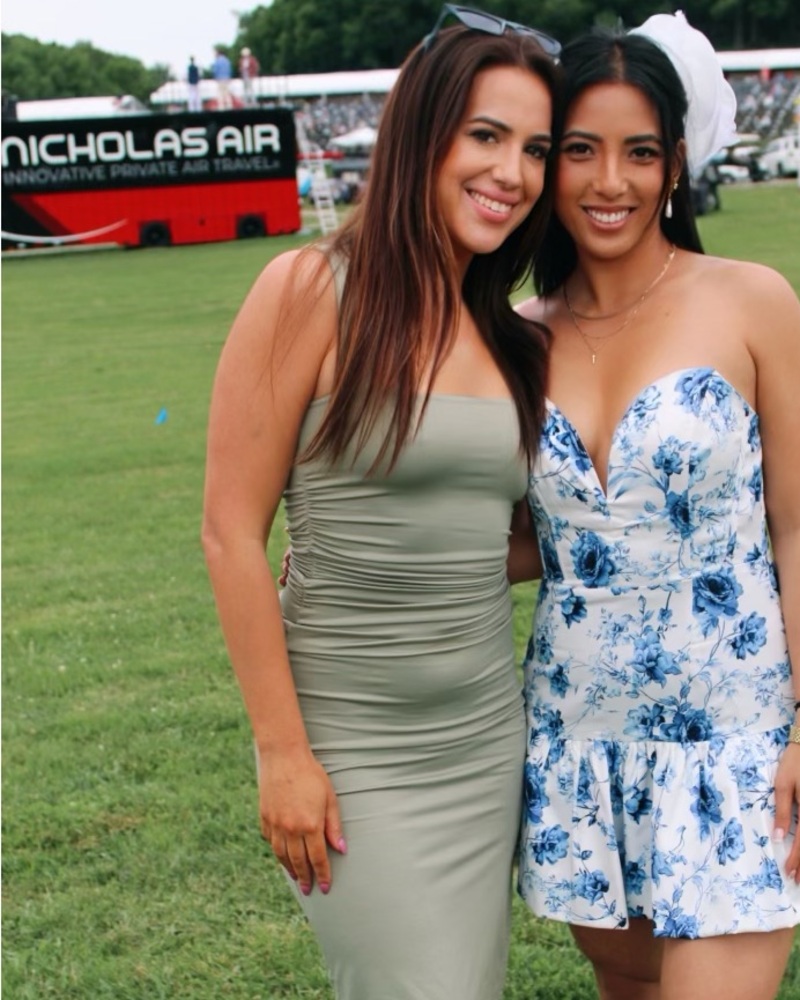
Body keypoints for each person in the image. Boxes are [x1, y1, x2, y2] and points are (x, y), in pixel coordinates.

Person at [511, 14, 800, 1000]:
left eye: (638, 152)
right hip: (580, 740)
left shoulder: (751, 302)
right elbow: (519, 537)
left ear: (674, 163)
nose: (610, 182)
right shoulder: (513, 338)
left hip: (736, 741)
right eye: (581, 150)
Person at [202, 8, 560, 999]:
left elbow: (512, 538)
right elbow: (231, 532)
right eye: (485, 136)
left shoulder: (514, 337)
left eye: (533, 148)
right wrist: (282, 754)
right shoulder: (309, 288)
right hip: (354, 750)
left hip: (488, 740)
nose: (512, 173)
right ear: (421, 135)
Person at [212, 46, 233, 110]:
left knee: (220, 93)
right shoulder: (227, 60)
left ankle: (221, 107)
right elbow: (230, 70)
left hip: (220, 79)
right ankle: (229, 106)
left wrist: (215, 77)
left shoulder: (217, 61)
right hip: (226, 78)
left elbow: (215, 70)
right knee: (227, 93)